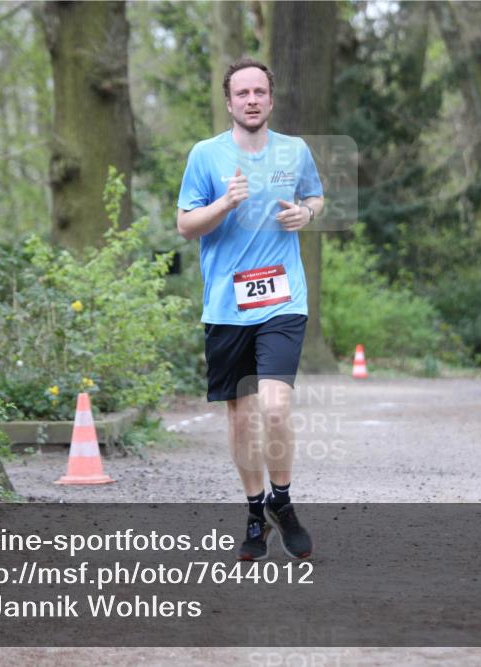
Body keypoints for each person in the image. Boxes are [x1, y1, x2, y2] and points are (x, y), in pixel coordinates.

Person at [176, 57, 324, 561]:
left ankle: (282, 502)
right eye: (243, 93)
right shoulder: (206, 155)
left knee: (277, 408)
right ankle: (254, 511)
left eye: (260, 91)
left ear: (271, 98)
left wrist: (306, 213)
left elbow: (316, 198)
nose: (252, 100)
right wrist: (224, 205)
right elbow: (185, 225)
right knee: (241, 422)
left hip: (282, 301)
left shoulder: (295, 150)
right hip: (225, 307)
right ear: (229, 102)